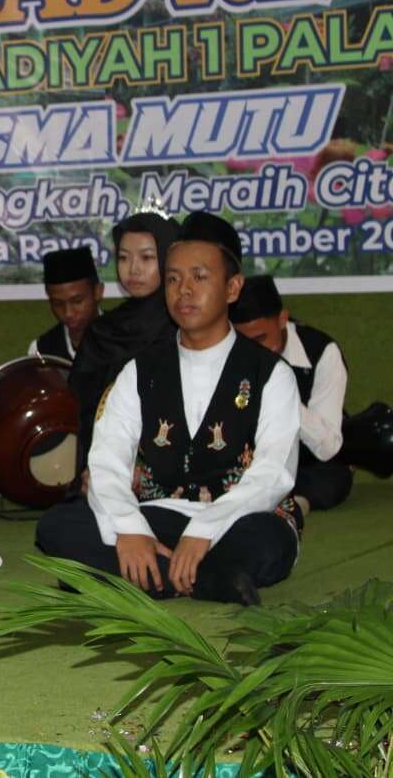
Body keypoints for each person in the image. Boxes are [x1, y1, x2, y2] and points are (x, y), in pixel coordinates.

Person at [36, 213, 302, 607]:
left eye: (199, 277)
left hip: (236, 519)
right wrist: (130, 529)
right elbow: (108, 457)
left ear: (232, 288)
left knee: (269, 540)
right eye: (174, 279)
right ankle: (207, 580)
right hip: (158, 514)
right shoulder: (140, 370)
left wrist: (205, 529)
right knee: (58, 527)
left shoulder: (270, 374)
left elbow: (273, 473)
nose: (184, 291)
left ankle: (136, 577)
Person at [68, 202, 181, 477]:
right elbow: (79, 410)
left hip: (171, 467)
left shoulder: (182, 326)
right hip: (103, 466)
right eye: (123, 257)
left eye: (147, 258)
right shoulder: (102, 331)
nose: (133, 269)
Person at [232, 275, 351, 513]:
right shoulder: (222, 348)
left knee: (335, 474)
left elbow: (327, 446)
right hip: (247, 458)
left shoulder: (322, 352)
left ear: (282, 320)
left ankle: (294, 504)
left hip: (305, 460)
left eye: (260, 339)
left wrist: (278, 392)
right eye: (242, 341)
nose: (252, 351)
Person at [28, 246, 103, 360]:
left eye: (77, 301)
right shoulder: (41, 350)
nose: (68, 313)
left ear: (98, 292)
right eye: (58, 303)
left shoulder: (125, 337)